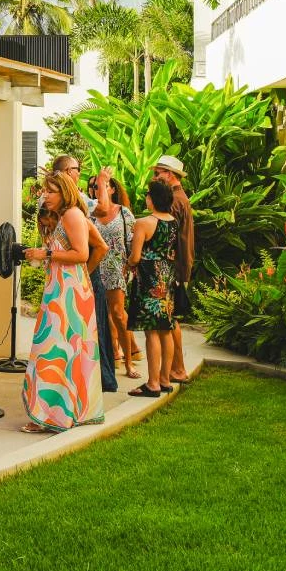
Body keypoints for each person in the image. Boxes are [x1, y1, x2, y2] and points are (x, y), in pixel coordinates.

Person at [20, 172, 104, 433]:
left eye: (51, 191)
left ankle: (53, 416)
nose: (45, 195)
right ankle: (61, 412)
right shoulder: (68, 216)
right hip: (63, 289)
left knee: (54, 351)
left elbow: (83, 252)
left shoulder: (72, 215)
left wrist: (47, 254)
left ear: (65, 191)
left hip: (67, 295)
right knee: (62, 350)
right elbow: (101, 247)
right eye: (45, 190)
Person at [52, 157, 116, 391]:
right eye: (77, 169)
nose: (79, 173)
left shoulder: (71, 209)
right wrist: (101, 181)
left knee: (90, 326)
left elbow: (97, 246)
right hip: (70, 274)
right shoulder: (69, 205)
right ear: (66, 172)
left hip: (75, 271)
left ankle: (96, 379)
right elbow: (103, 208)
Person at [126, 179, 179, 399]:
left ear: (152, 198)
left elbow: (136, 256)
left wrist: (128, 263)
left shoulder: (144, 223)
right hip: (167, 278)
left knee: (151, 333)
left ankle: (153, 383)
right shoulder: (173, 221)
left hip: (149, 281)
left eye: (148, 194)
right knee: (166, 330)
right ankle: (165, 379)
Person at [88, 171, 143, 378]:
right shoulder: (89, 212)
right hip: (94, 267)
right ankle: (110, 358)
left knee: (119, 315)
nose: (95, 189)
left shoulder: (123, 213)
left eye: (100, 185)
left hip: (116, 268)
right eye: (92, 186)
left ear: (111, 189)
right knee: (99, 316)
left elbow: (132, 241)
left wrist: (130, 266)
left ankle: (129, 362)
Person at [152, 155, 195, 384]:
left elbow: (167, 237)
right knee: (170, 319)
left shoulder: (174, 200)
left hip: (172, 267)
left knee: (169, 320)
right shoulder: (179, 198)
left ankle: (177, 368)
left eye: (158, 173)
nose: (155, 177)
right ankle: (175, 368)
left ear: (170, 175)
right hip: (176, 266)